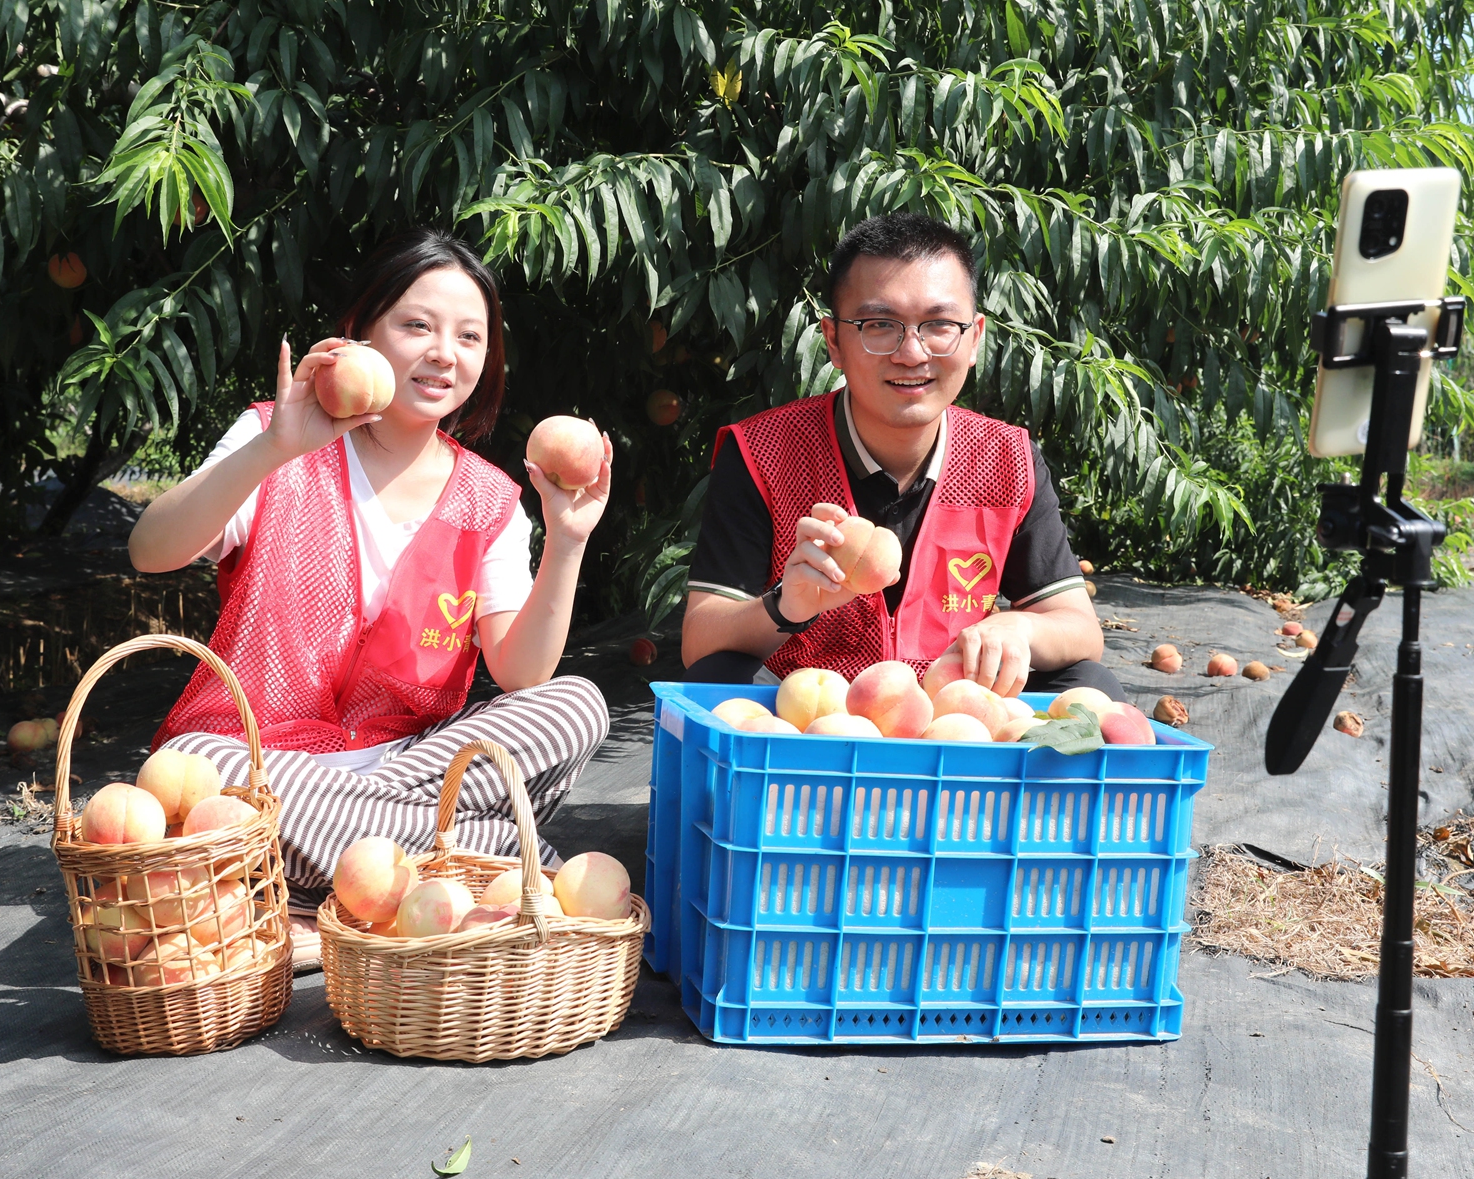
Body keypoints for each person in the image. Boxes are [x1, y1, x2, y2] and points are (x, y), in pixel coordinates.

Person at [129, 229, 611, 965]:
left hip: (406, 764)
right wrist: (273, 450)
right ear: (360, 333)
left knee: (577, 705)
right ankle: (478, 861)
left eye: (469, 336)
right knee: (200, 762)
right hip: (260, 767)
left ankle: (322, 895)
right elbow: (150, 550)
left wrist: (568, 540)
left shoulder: (490, 501)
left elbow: (520, 674)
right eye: (417, 325)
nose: (445, 352)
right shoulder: (275, 440)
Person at [680, 212, 1123, 701]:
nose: (912, 353)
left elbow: (1080, 629)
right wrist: (787, 605)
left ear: (974, 338)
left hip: (954, 711)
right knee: (714, 680)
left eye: (938, 325)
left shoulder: (1007, 459)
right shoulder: (763, 452)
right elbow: (701, 641)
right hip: (804, 712)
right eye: (879, 325)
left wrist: (1019, 630)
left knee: (1090, 687)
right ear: (834, 341)